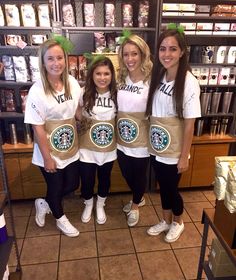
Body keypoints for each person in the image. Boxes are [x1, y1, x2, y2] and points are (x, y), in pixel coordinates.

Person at [146, 25, 201, 242]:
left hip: (175, 149)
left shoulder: (189, 83)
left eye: (172, 49)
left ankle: (179, 221)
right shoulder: (160, 76)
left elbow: (190, 124)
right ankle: (165, 219)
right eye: (162, 49)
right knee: (163, 186)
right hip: (158, 145)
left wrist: (183, 156)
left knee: (171, 188)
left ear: (182, 52)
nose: (166, 54)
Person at [24, 37, 83, 237]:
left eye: (59, 58)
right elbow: (38, 128)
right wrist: (47, 158)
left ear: (65, 60)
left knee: (73, 184)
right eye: (50, 59)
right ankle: (60, 218)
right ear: (43, 62)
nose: (56, 63)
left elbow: (77, 111)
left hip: (70, 146)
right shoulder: (37, 90)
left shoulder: (72, 83)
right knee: (56, 186)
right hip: (48, 149)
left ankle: (44, 202)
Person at [116, 32, 153, 227]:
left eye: (134, 54)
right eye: (126, 54)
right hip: (121, 138)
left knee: (138, 175)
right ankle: (138, 196)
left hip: (141, 140)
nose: (130, 59)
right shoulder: (120, 78)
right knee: (126, 173)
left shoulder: (151, 81)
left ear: (143, 55)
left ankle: (136, 204)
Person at [78, 56, 117, 224]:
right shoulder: (84, 91)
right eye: (98, 73)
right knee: (86, 179)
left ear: (112, 75)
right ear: (92, 75)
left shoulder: (117, 94)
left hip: (108, 147)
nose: (102, 78)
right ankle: (88, 204)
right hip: (87, 148)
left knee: (105, 178)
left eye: (106, 73)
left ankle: (100, 204)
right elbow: (77, 111)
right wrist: (86, 122)